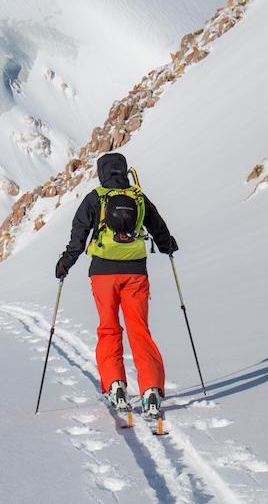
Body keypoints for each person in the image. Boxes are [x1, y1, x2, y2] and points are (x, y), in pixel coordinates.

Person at [54, 152, 178, 418]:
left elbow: (79, 234)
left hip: (102, 273)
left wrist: (66, 262)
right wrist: (168, 246)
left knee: (109, 329)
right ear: (123, 170)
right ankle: (151, 390)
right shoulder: (137, 196)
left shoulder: (95, 197)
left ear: (101, 172)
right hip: (136, 272)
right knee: (139, 330)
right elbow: (159, 228)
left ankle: (115, 385)